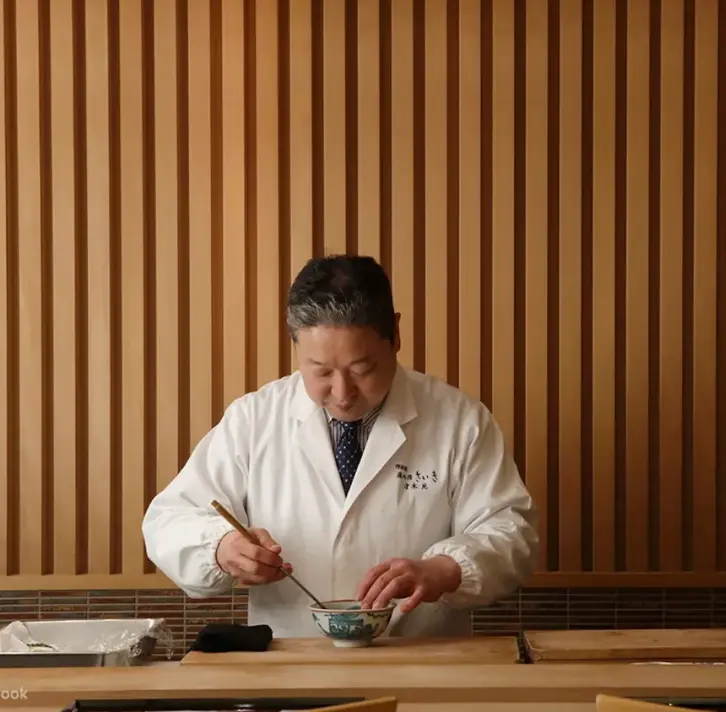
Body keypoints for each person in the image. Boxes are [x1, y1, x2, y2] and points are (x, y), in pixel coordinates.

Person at [142, 254, 538, 639]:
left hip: (422, 659)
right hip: (289, 664)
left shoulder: (460, 420)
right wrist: (221, 547)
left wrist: (445, 569)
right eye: (321, 372)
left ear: (395, 335)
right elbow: (169, 521)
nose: (343, 393)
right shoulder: (254, 419)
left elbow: (511, 532)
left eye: (363, 370)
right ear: (296, 348)